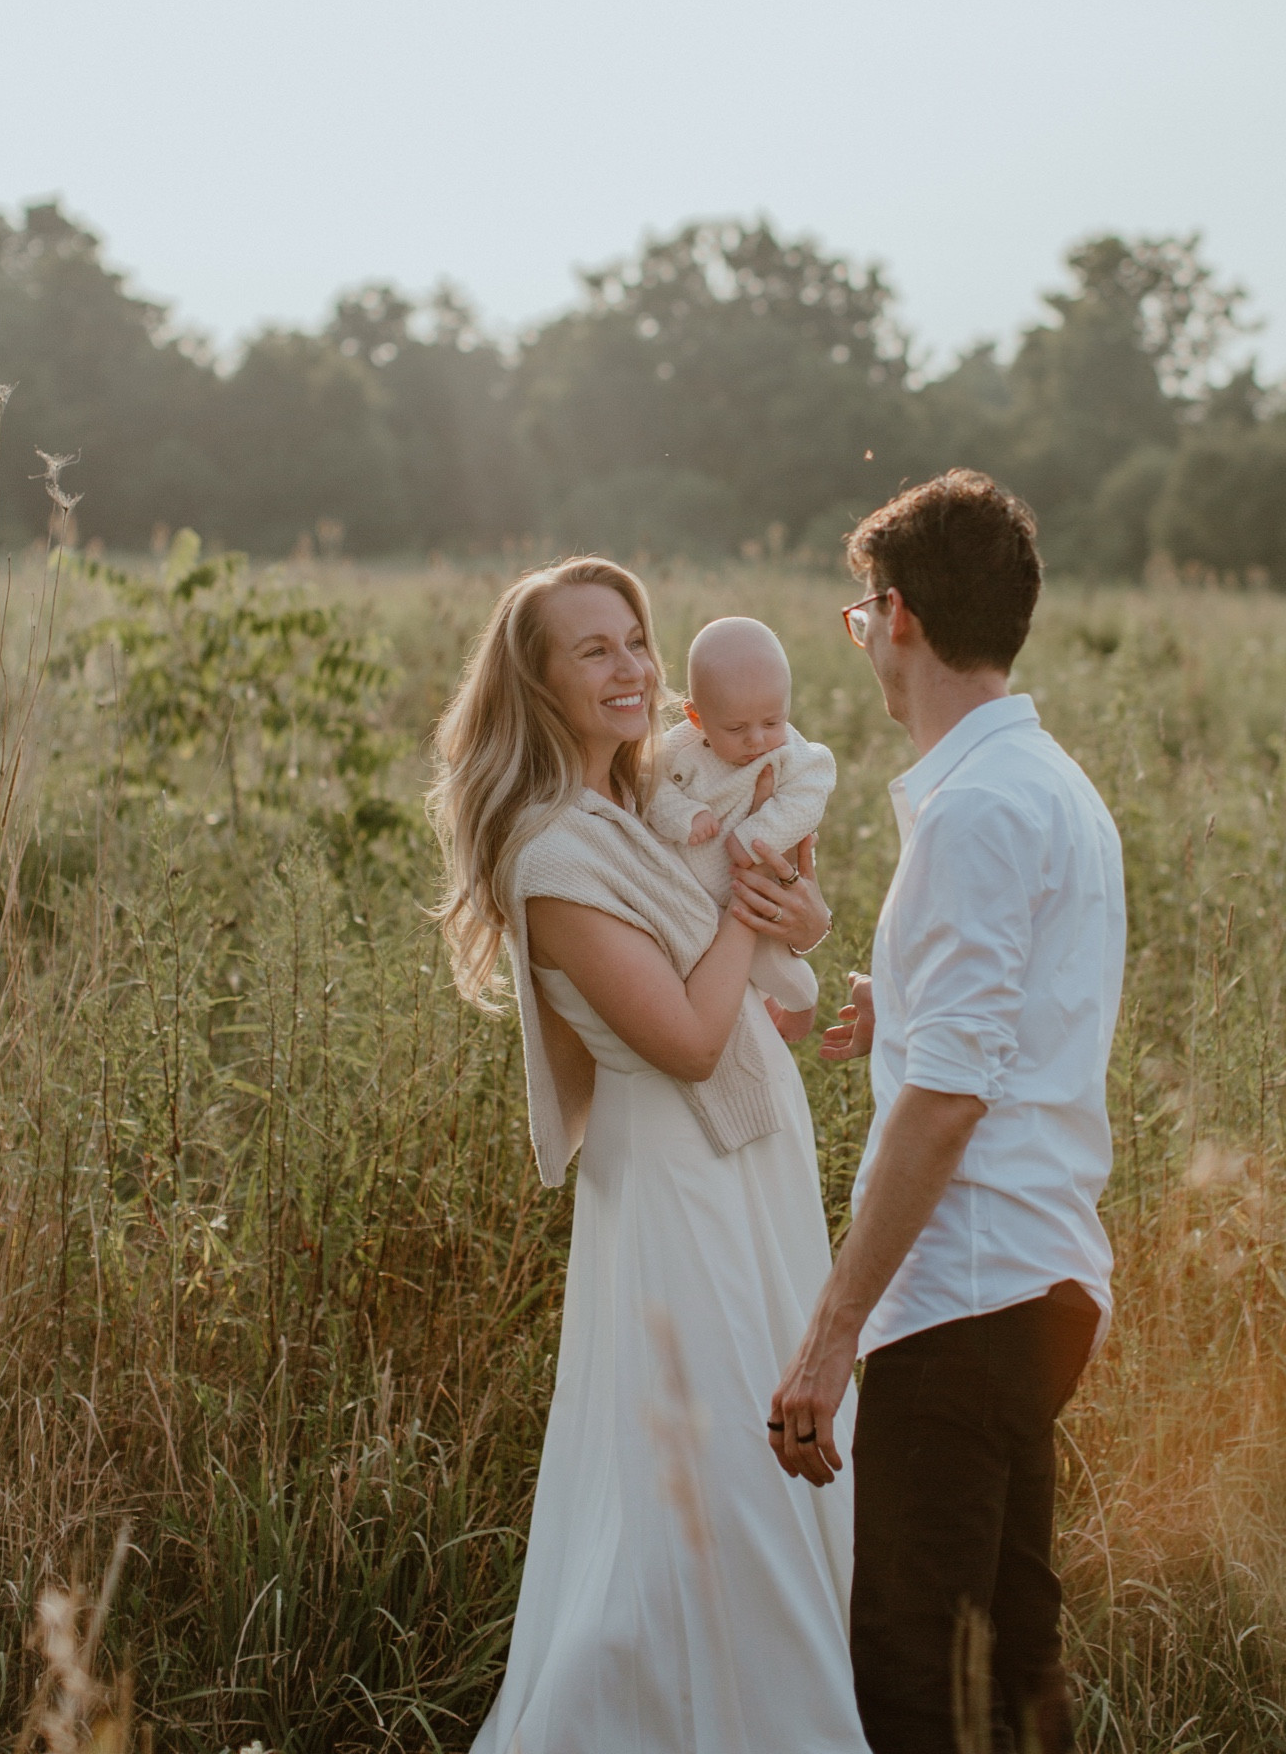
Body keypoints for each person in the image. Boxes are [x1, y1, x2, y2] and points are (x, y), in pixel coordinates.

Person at [427, 557, 870, 1754]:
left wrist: (793, 914)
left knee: (775, 1452)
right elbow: (681, 1038)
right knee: (717, 1469)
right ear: (540, 679)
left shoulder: (652, 803)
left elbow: (762, 993)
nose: (628, 666)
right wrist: (740, 905)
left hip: (751, 1164)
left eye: (635, 639)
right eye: (593, 648)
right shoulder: (551, 852)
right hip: (677, 1183)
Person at [767, 471, 1125, 1754]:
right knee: (1012, 1667)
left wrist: (827, 1337)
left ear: (897, 614)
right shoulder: (1049, 784)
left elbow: (952, 1098)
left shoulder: (973, 808)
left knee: (918, 1680)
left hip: (965, 1291)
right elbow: (1007, 1025)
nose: (857, 636)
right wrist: (902, 1006)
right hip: (1041, 1281)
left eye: (858, 613)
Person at [648, 615, 838, 1018]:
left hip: (760, 888)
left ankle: (801, 1005)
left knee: (775, 965)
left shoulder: (792, 752)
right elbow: (647, 785)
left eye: (772, 721)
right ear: (696, 717)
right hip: (688, 895)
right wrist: (686, 814)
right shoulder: (679, 747)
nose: (757, 740)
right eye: (734, 728)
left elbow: (808, 796)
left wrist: (756, 834)